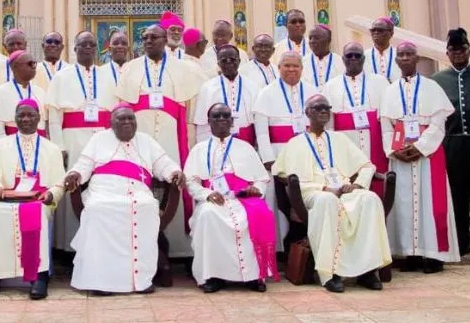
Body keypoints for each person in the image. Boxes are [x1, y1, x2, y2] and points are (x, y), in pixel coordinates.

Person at [275, 94, 392, 293]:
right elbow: (284, 176)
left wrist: (358, 186)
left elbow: (367, 166)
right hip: (313, 193)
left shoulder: (340, 139)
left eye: (326, 107)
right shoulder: (295, 143)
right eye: (317, 107)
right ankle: (330, 273)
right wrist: (322, 188)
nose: (323, 111)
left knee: (370, 199)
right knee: (327, 201)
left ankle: (367, 270)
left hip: (345, 190)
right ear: (307, 113)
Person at [64, 105, 185, 294]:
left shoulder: (146, 141)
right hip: (104, 191)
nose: (127, 122)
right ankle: (100, 281)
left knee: (146, 207)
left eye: (131, 119)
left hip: (139, 194)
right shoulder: (98, 139)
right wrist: (75, 174)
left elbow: (164, 163)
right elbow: (84, 165)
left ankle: (140, 280)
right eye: (122, 119)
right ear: (111, 124)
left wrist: (174, 172)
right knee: (97, 209)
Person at [115, 25, 204, 257]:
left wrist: (190, 142)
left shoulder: (182, 69)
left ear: (165, 39)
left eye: (153, 37)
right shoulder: (130, 69)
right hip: (140, 136)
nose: (148, 41)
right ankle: (138, 247)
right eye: (144, 37)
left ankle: (175, 249)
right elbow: (122, 105)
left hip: (169, 135)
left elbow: (188, 112)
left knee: (172, 183)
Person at [381, 42, 460, 273]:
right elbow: (386, 124)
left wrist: (421, 147)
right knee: (403, 204)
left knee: (431, 203)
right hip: (400, 153)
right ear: (396, 60)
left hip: (428, 155)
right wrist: (394, 150)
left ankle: (434, 255)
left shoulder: (432, 87)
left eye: (409, 55)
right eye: (401, 55)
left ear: (417, 59)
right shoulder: (389, 90)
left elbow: (438, 123)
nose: (405, 58)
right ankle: (410, 253)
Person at [0, 99, 66, 299]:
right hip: (6, 199)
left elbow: (59, 183)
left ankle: (39, 276)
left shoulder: (51, 148)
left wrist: (51, 194)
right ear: (14, 119)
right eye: (21, 115)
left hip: (38, 200)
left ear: (39, 118)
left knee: (36, 213)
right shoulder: (0, 145)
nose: (26, 119)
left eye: (30, 115)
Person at [186, 103, 278, 293]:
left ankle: (255, 275)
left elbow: (261, 178)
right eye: (217, 116)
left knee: (261, 213)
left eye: (226, 116)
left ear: (231, 121)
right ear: (209, 121)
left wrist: (256, 189)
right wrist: (207, 194)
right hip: (215, 199)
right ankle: (213, 276)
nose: (221, 120)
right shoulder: (199, 149)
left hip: (244, 199)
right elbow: (191, 181)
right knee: (208, 216)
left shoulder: (245, 148)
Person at [46, 31, 118, 252]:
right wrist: (59, 145)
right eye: (82, 45)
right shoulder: (62, 76)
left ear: (97, 49)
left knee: (103, 185)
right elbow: (55, 115)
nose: (87, 48)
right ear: (74, 48)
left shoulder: (109, 74)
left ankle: (101, 241)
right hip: (74, 137)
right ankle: (70, 244)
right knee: (73, 185)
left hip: (103, 137)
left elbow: (115, 110)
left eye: (91, 45)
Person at [432, 29, 470, 263]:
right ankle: (461, 245)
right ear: (447, 53)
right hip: (453, 144)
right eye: (453, 50)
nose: (458, 54)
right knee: (457, 197)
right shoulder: (438, 80)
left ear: (469, 51)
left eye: (462, 49)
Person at [253, 51, 318, 251]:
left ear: (302, 69)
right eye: (286, 66)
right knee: (277, 201)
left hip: (306, 154)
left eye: (295, 66)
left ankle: (308, 245)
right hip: (277, 153)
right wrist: (268, 160)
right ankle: (280, 248)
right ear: (279, 68)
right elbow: (262, 132)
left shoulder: (312, 91)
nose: (291, 69)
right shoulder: (266, 92)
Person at [323, 42, 389, 199]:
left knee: (378, 191)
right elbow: (329, 124)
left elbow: (386, 120)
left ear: (363, 59)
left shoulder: (380, 82)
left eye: (357, 55)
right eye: (349, 55)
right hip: (346, 145)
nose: (353, 58)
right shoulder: (331, 85)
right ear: (343, 59)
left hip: (375, 143)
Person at [194, 45, 260, 146]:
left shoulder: (252, 86)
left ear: (239, 61)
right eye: (224, 60)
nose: (229, 63)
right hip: (217, 141)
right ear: (218, 63)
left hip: (247, 142)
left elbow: (259, 121)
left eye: (232, 59)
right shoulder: (208, 87)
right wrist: (205, 146)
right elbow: (202, 124)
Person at [0, 51, 47, 138]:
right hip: (11, 144)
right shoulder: (1, 91)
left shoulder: (40, 92)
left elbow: (43, 125)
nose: (33, 67)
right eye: (30, 64)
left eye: (34, 63)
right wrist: (5, 148)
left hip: (38, 143)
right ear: (14, 67)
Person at [303, 25, 344, 91]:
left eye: (316, 38)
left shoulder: (340, 62)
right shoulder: (302, 62)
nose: (312, 41)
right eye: (310, 38)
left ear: (328, 40)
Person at [365, 17, 401, 83]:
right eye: (373, 30)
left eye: (380, 30)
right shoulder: (363, 56)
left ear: (391, 33)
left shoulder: (400, 54)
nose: (376, 32)